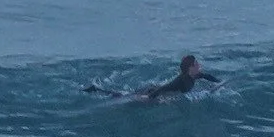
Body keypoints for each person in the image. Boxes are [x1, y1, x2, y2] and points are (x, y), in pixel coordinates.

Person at [86, 54, 223, 102]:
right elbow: (165, 88)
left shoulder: (194, 75)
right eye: (196, 64)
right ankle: (96, 90)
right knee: (123, 96)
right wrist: (149, 97)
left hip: (157, 90)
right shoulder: (181, 80)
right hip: (153, 92)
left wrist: (218, 83)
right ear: (190, 68)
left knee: (125, 94)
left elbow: (207, 76)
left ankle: (99, 90)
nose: (199, 65)